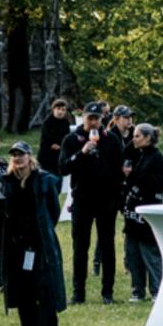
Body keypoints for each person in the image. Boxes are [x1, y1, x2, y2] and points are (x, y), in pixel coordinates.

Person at [0, 144, 65, 326]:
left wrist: (45, 229)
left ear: (29, 156)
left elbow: (53, 210)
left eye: (21, 154)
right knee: (23, 288)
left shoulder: (44, 180)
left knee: (45, 287)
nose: (17, 158)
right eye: (14, 155)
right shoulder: (7, 182)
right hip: (17, 243)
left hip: (40, 242)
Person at [63, 106, 123, 304]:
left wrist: (117, 199)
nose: (94, 122)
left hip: (106, 201)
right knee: (80, 248)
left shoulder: (112, 139)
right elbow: (62, 167)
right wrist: (82, 153)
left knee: (107, 246)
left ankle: (108, 292)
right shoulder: (72, 139)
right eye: (90, 118)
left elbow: (119, 170)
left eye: (97, 118)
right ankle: (78, 294)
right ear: (84, 118)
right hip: (82, 200)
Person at [118, 124, 163, 301]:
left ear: (148, 138)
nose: (134, 139)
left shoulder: (156, 158)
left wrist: (132, 179)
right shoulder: (138, 155)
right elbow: (123, 155)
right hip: (132, 211)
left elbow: (152, 183)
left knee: (149, 252)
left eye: (137, 136)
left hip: (148, 210)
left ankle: (157, 290)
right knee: (133, 253)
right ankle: (137, 290)